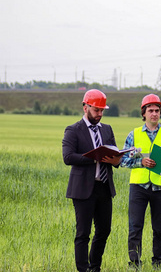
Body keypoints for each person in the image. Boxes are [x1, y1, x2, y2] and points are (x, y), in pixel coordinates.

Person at [62, 89, 123, 272]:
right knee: (83, 234)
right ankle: (83, 269)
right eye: (96, 110)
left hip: (104, 188)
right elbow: (68, 157)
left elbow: (114, 154)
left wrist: (117, 160)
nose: (100, 114)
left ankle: (94, 267)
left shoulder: (107, 129)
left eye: (102, 110)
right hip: (82, 190)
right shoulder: (73, 130)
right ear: (85, 107)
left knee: (104, 231)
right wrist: (94, 157)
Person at [120, 93, 161, 270]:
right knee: (135, 227)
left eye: (157, 110)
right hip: (138, 187)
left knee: (159, 229)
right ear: (144, 113)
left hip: (160, 187)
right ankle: (134, 263)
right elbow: (123, 160)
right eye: (151, 110)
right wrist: (141, 162)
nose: (154, 113)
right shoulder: (133, 135)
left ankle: (158, 263)